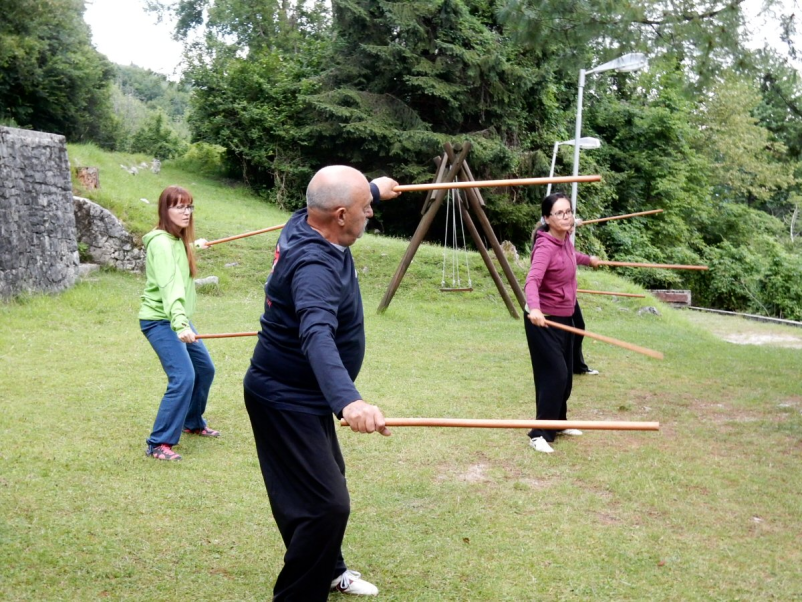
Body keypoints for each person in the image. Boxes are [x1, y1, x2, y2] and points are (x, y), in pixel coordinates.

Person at [243, 166, 400, 600]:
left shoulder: (310, 219)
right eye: (367, 208)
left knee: (326, 488)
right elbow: (316, 334)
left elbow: (338, 196)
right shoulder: (314, 264)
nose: (372, 213)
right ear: (343, 216)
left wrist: (375, 190)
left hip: (302, 393)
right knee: (326, 505)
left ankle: (330, 570)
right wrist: (348, 400)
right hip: (284, 397)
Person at [139, 185, 218, 461]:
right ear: (165, 209)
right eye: (179, 206)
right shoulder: (161, 243)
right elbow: (170, 286)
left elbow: (177, 251)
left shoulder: (174, 240)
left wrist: (196, 246)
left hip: (176, 320)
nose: (186, 212)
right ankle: (158, 442)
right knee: (183, 377)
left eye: (189, 206)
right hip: (161, 321)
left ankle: (192, 422)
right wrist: (181, 324)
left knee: (204, 369)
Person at [524, 192, 599, 453]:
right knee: (555, 374)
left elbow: (568, 257)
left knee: (566, 377)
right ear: (547, 218)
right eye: (559, 213)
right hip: (543, 320)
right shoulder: (545, 246)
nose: (567, 217)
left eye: (569, 212)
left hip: (565, 315)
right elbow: (532, 280)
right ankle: (538, 433)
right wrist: (534, 308)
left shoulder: (564, 238)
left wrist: (588, 260)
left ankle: (558, 422)